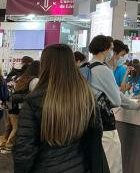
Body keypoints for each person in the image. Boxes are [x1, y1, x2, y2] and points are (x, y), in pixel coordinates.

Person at [13, 44, 108, 173]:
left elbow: (24, 151)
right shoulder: (86, 97)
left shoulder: (34, 101)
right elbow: (94, 140)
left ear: (45, 65)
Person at [87, 35, 140, 173]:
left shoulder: (87, 68)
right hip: (105, 124)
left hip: (90, 123)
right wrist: (135, 105)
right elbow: (117, 100)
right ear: (105, 49)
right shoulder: (103, 70)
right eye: (111, 49)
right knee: (112, 166)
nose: (112, 52)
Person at [0, 61, 40, 154]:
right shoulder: (34, 80)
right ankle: (8, 145)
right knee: (16, 127)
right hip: (19, 107)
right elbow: (35, 96)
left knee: (9, 126)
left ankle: (3, 143)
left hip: (12, 105)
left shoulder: (21, 78)